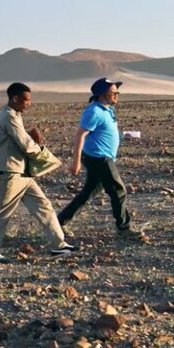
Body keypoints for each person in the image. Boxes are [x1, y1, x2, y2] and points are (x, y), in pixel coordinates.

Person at [0, 82, 77, 263]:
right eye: (26, 100)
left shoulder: (13, 115)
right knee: (2, 212)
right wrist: (40, 147)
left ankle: (58, 245)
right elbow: (25, 145)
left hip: (22, 172)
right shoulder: (9, 117)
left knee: (43, 206)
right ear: (15, 98)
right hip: (12, 172)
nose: (29, 103)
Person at [57, 78, 142, 238]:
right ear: (102, 95)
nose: (117, 95)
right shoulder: (94, 111)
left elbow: (104, 132)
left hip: (101, 157)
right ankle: (124, 228)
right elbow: (80, 135)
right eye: (113, 92)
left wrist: (124, 136)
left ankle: (59, 222)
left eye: (117, 92)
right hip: (99, 158)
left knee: (88, 192)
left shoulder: (107, 110)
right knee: (118, 191)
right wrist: (75, 162)